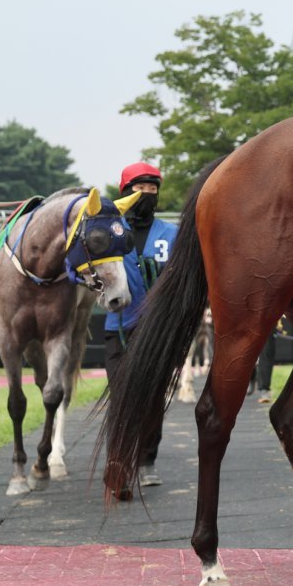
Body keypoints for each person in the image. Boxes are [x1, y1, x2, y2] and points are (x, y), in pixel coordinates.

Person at [104, 162, 178, 488]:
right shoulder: (107, 230)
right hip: (118, 325)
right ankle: (117, 461)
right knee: (120, 396)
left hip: (157, 330)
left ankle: (147, 460)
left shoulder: (172, 234)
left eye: (152, 188)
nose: (147, 194)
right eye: (139, 188)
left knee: (152, 397)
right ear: (125, 193)